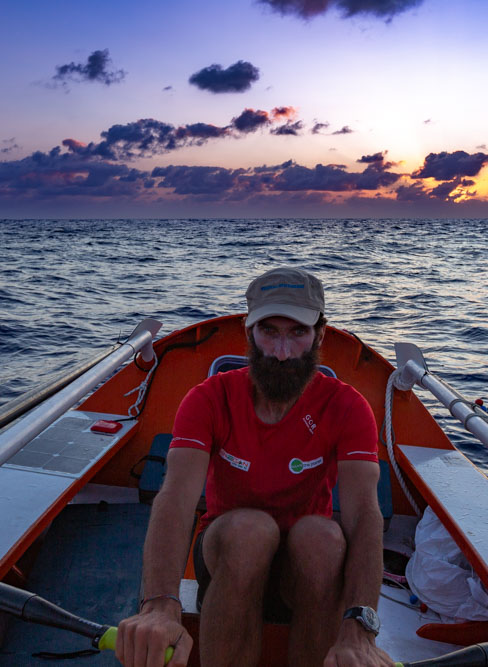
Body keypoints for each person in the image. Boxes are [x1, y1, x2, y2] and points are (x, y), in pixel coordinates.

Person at [115, 267, 394, 667]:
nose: (282, 352)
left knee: (323, 537)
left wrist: (360, 628)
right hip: (229, 551)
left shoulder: (347, 406)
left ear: (320, 335)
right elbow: (175, 497)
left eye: (297, 332)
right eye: (270, 332)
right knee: (250, 531)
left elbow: (365, 514)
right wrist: (160, 604)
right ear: (249, 335)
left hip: (309, 566)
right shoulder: (209, 398)